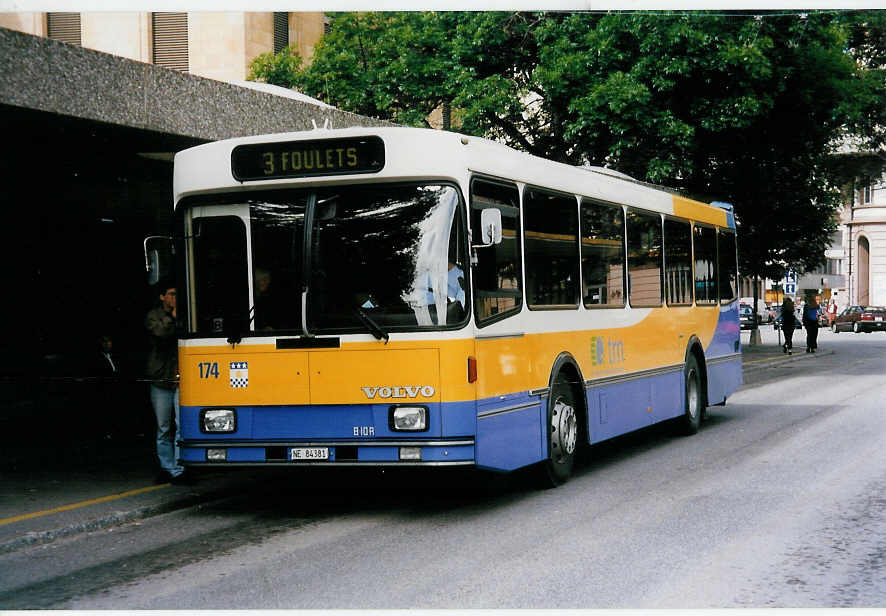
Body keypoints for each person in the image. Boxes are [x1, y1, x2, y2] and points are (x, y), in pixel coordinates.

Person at [145, 281, 191, 484]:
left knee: (182, 426)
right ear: (162, 296)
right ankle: (167, 467)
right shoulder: (154, 315)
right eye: (171, 294)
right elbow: (161, 334)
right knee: (163, 427)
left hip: (181, 378)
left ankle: (179, 469)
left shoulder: (187, 314)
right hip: (161, 378)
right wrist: (173, 318)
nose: (175, 298)